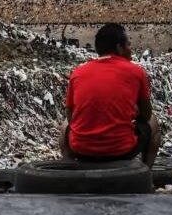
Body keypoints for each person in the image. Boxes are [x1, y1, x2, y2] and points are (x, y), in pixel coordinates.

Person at [60, 23, 161, 167]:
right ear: (119, 47)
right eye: (128, 45)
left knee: (64, 125)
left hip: (81, 150)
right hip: (121, 150)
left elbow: (70, 116)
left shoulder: (78, 72)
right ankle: (145, 174)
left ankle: (70, 168)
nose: (131, 50)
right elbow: (146, 114)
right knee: (154, 122)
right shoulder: (136, 71)